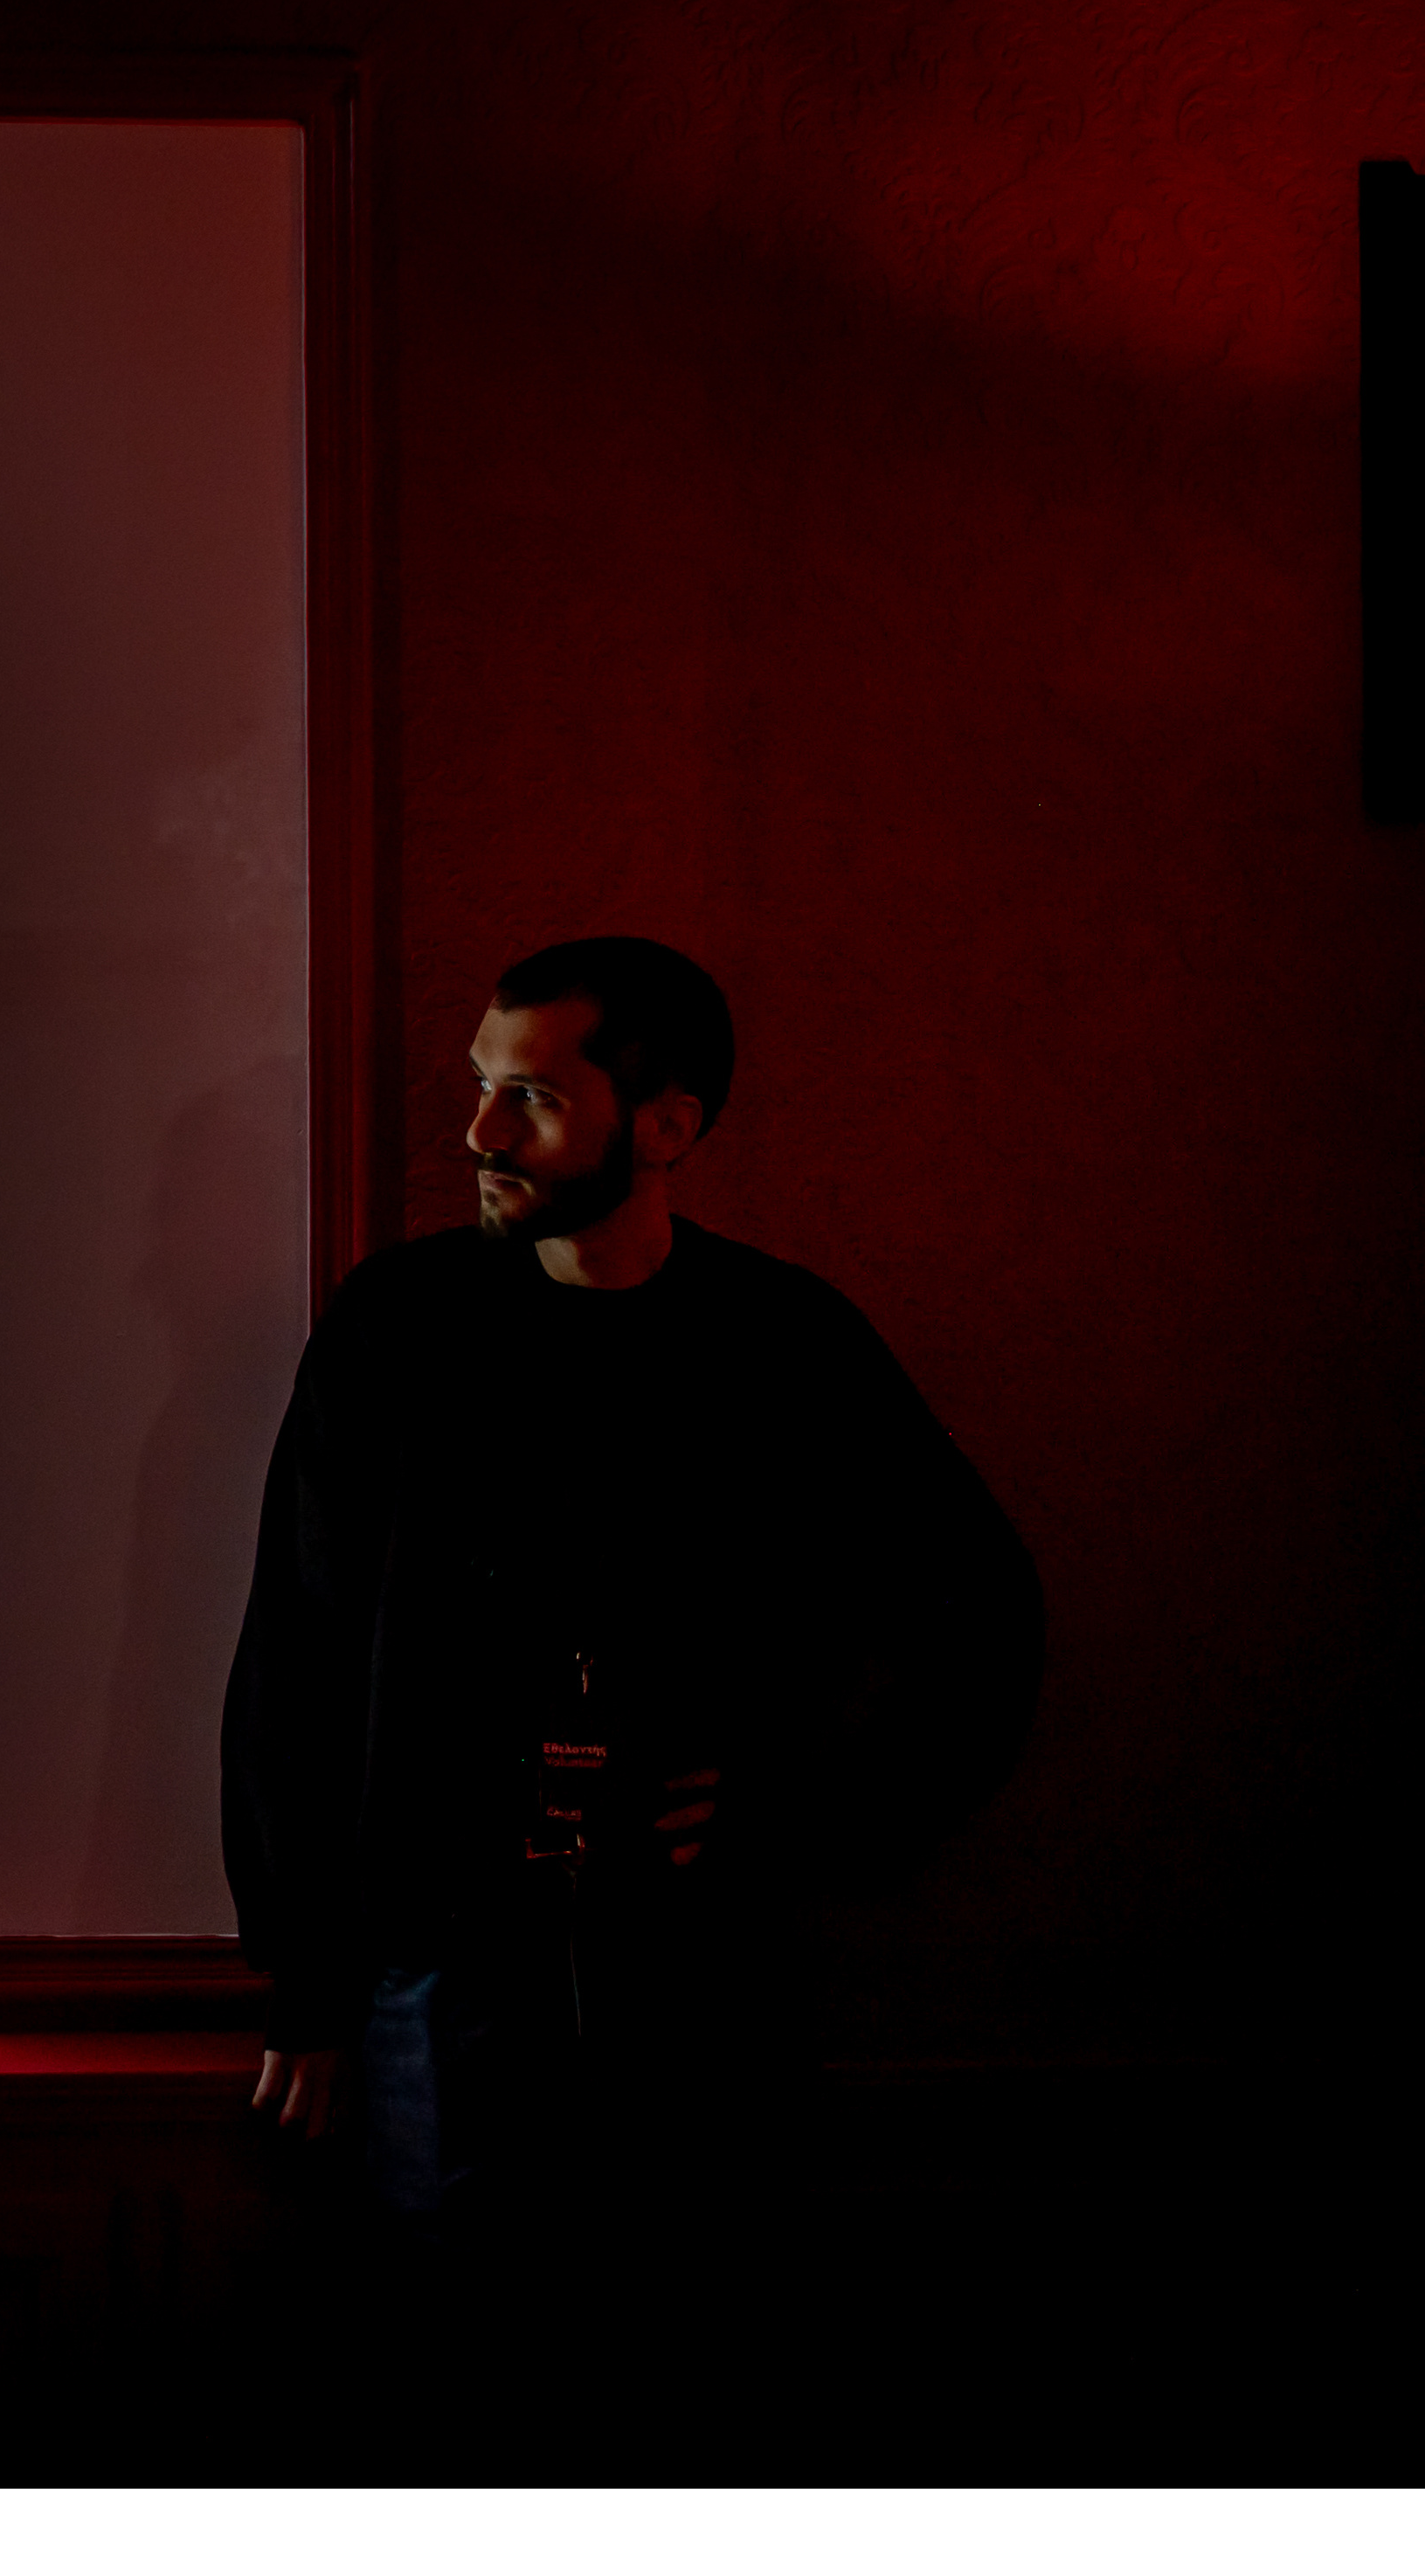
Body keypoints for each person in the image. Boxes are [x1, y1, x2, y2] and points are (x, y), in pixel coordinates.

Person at [222, 937, 1040, 2276]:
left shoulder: (783, 1340)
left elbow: (982, 1612)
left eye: (533, 1097)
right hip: (438, 1975)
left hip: (701, 1974)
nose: (481, 1131)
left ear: (666, 1126)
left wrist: (811, 1804)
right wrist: (306, 1972)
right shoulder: (400, 1330)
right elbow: (295, 1654)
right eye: (483, 1084)